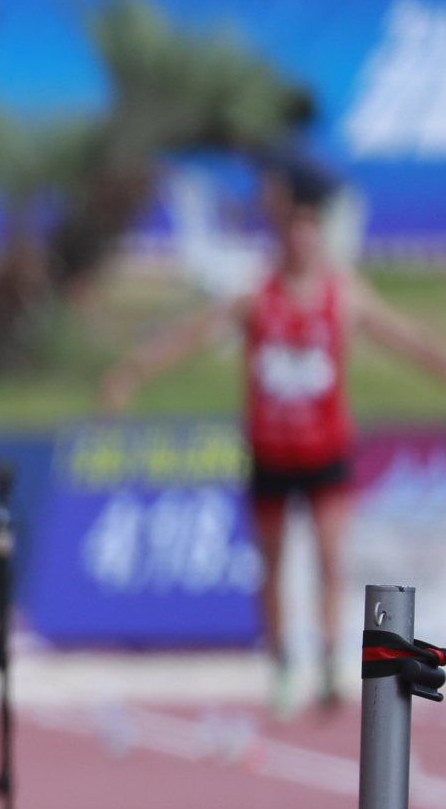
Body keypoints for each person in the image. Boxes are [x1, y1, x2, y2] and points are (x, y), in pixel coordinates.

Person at [103, 154, 446, 717]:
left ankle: (333, 662)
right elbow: (193, 333)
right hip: (269, 449)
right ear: (282, 238)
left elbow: (403, 337)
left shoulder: (344, 295)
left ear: (321, 238)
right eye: (293, 232)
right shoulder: (257, 296)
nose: (302, 243)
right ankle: (285, 664)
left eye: (311, 232)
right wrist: (134, 370)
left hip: (327, 449)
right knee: (274, 562)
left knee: (332, 561)